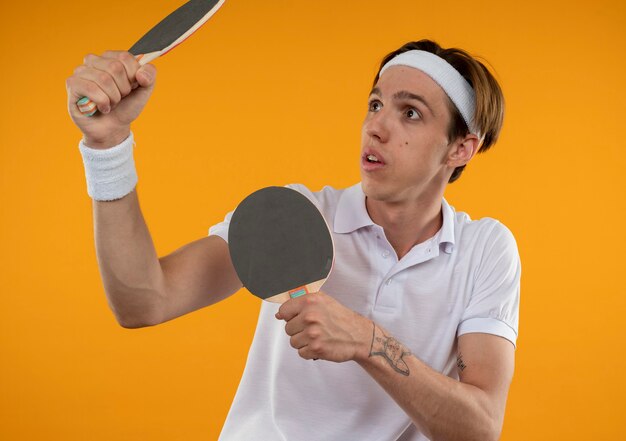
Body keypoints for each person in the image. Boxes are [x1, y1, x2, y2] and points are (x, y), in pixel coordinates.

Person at [66, 39, 521, 441]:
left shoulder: (484, 250)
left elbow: (479, 427)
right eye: (375, 104)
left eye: (411, 113)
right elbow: (144, 302)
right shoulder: (294, 214)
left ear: (461, 148)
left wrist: (367, 341)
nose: (376, 127)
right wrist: (109, 148)